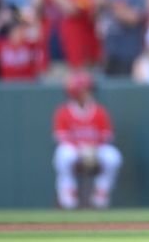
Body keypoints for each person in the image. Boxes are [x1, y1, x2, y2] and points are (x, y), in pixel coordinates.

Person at [52, 72, 122, 209]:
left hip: (96, 149)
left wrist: (92, 148)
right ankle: (68, 192)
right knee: (62, 155)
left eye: (89, 90)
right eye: (85, 90)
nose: (89, 93)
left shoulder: (99, 111)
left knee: (113, 157)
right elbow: (61, 137)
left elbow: (107, 135)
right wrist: (80, 148)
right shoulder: (64, 112)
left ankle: (101, 192)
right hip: (74, 150)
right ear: (75, 92)